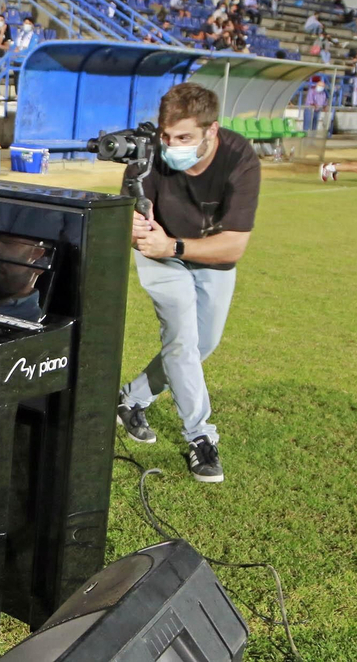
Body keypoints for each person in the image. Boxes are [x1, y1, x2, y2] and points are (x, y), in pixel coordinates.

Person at [117, 84, 259, 484]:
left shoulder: (240, 159)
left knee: (202, 345)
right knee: (181, 340)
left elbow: (234, 245)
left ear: (211, 131)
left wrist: (176, 244)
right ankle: (200, 436)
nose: (170, 145)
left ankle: (132, 399)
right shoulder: (147, 155)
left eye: (183, 138)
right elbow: (133, 222)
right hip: (160, 253)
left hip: (206, 253)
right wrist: (136, 230)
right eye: (166, 135)